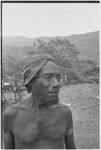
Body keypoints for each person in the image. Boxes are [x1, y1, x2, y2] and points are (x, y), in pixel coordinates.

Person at [3, 53, 76, 149]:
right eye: (48, 77)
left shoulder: (64, 113)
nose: (56, 84)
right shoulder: (11, 115)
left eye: (58, 78)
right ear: (30, 83)